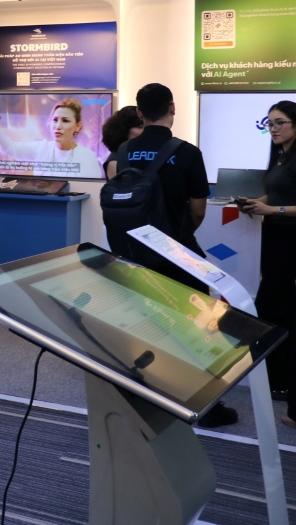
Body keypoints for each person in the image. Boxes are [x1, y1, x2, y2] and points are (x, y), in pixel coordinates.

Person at [118, 83, 236, 428]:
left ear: (139, 112)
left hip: (134, 251)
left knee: (142, 321)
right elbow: (198, 209)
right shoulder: (187, 152)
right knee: (196, 326)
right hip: (176, 253)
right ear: (172, 107)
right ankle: (204, 406)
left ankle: (146, 395)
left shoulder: (124, 151)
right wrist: (179, 239)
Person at [239, 101, 296, 412]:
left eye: (279, 122)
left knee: (277, 308)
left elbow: (280, 203)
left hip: (289, 242)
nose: (273, 129)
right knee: (273, 308)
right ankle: (275, 377)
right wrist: (255, 202)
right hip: (274, 240)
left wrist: (272, 210)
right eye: (270, 123)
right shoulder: (281, 156)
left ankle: (282, 380)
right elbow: (276, 193)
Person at [0, 98, 102, 178]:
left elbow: (93, 191)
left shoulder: (88, 157)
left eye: (65, 121)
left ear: (77, 126)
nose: (58, 126)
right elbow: (9, 148)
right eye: (55, 120)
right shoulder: (42, 148)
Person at [102, 105, 144, 178]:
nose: (144, 131)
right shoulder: (115, 161)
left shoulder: (138, 154)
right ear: (124, 130)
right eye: (140, 127)